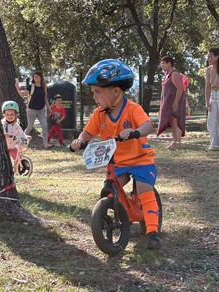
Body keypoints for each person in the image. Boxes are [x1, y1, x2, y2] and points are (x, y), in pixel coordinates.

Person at [69, 59, 161, 250]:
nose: (94, 97)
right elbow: (87, 133)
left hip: (141, 160)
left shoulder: (132, 109)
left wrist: (135, 132)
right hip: (118, 162)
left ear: (116, 91)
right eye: (93, 92)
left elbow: (147, 125)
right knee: (111, 189)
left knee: (144, 190)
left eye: (97, 92)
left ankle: (152, 231)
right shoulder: (99, 114)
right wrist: (80, 140)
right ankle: (112, 215)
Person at [157, 55, 187, 149]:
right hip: (168, 103)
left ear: (169, 63)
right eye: (161, 63)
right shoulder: (166, 75)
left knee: (175, 122)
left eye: (164, 63)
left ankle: (178, 143)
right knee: (172, 122)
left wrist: (176, 103)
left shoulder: (174, 74)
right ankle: (175, 142)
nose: (162, 65)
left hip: (175, 102)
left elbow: (180, 89)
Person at [16, 71, 49, 141]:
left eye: (37, 77)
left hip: (41, 110)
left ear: (41, 77)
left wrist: (49, 108)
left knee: (44, 126)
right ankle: (21, 140)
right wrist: (17, 87)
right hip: (31, 110)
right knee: (30, 127)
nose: (35, 78)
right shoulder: (31, 87)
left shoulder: (44, 87)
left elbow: (45, 98)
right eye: (34, 77)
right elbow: (22, 94)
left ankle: (46, 143)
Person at [1, 100, 26, 172]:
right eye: (7, 114)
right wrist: (5, 135)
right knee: (4, 161)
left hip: (12, 146)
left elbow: (21, 133)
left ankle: (16, 170)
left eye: (12, 114)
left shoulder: (16, 125)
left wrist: (25, 137)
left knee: (18, 156)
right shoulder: (2, 124)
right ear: (4, 114)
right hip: (3, 147)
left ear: (16, 115)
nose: (9, 116)